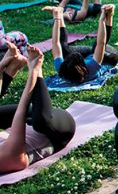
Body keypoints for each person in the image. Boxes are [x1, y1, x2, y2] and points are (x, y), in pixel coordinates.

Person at [0, 44, 75, 174]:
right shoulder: (5, 158)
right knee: (41, 122)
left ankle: (13, 66)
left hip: (28, 119)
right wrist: (34, 71)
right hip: (56, 131)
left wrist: (1, 67)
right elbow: (21, 110)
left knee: (36, 118)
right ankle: (38, 70)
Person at [44, 4, 118, 84]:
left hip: (90, 55)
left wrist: (57, 19)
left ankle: (60, 13)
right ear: (82, 66)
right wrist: (102, 20)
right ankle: (110, 14)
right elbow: (101, 43)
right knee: (95, 47)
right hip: (109, 57)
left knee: (63, 49)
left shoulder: (62, 69)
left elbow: (56, 43)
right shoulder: (92, 69)